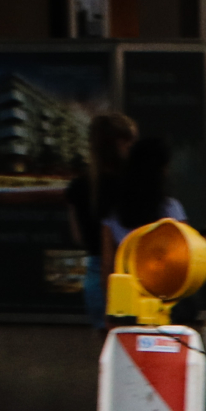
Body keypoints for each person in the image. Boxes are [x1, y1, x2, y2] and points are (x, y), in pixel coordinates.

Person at [64, 111, 137, 325]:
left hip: (95, 275)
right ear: (122, 143)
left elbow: (78, 236)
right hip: (130, 273)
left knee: (107, 353)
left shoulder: (78, 187)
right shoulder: (132, 185)